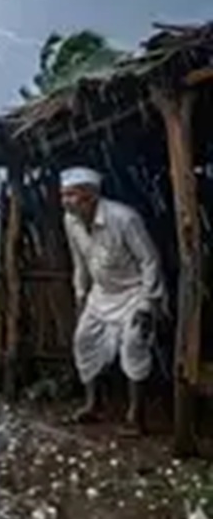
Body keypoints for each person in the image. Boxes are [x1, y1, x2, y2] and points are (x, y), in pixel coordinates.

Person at [61, 166, 166, 433]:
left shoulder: (124, 218)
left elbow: (150, 260)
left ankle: (136, 416)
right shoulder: (71, 221)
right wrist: (80, 296)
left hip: (134, 293)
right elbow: (80, 263)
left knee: (133, 345)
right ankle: (92, 405)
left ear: (90, 196)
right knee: (83, 341)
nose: (66, 201)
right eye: (63, 195)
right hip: (101, 294)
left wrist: (147, 303)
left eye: (72, 195)